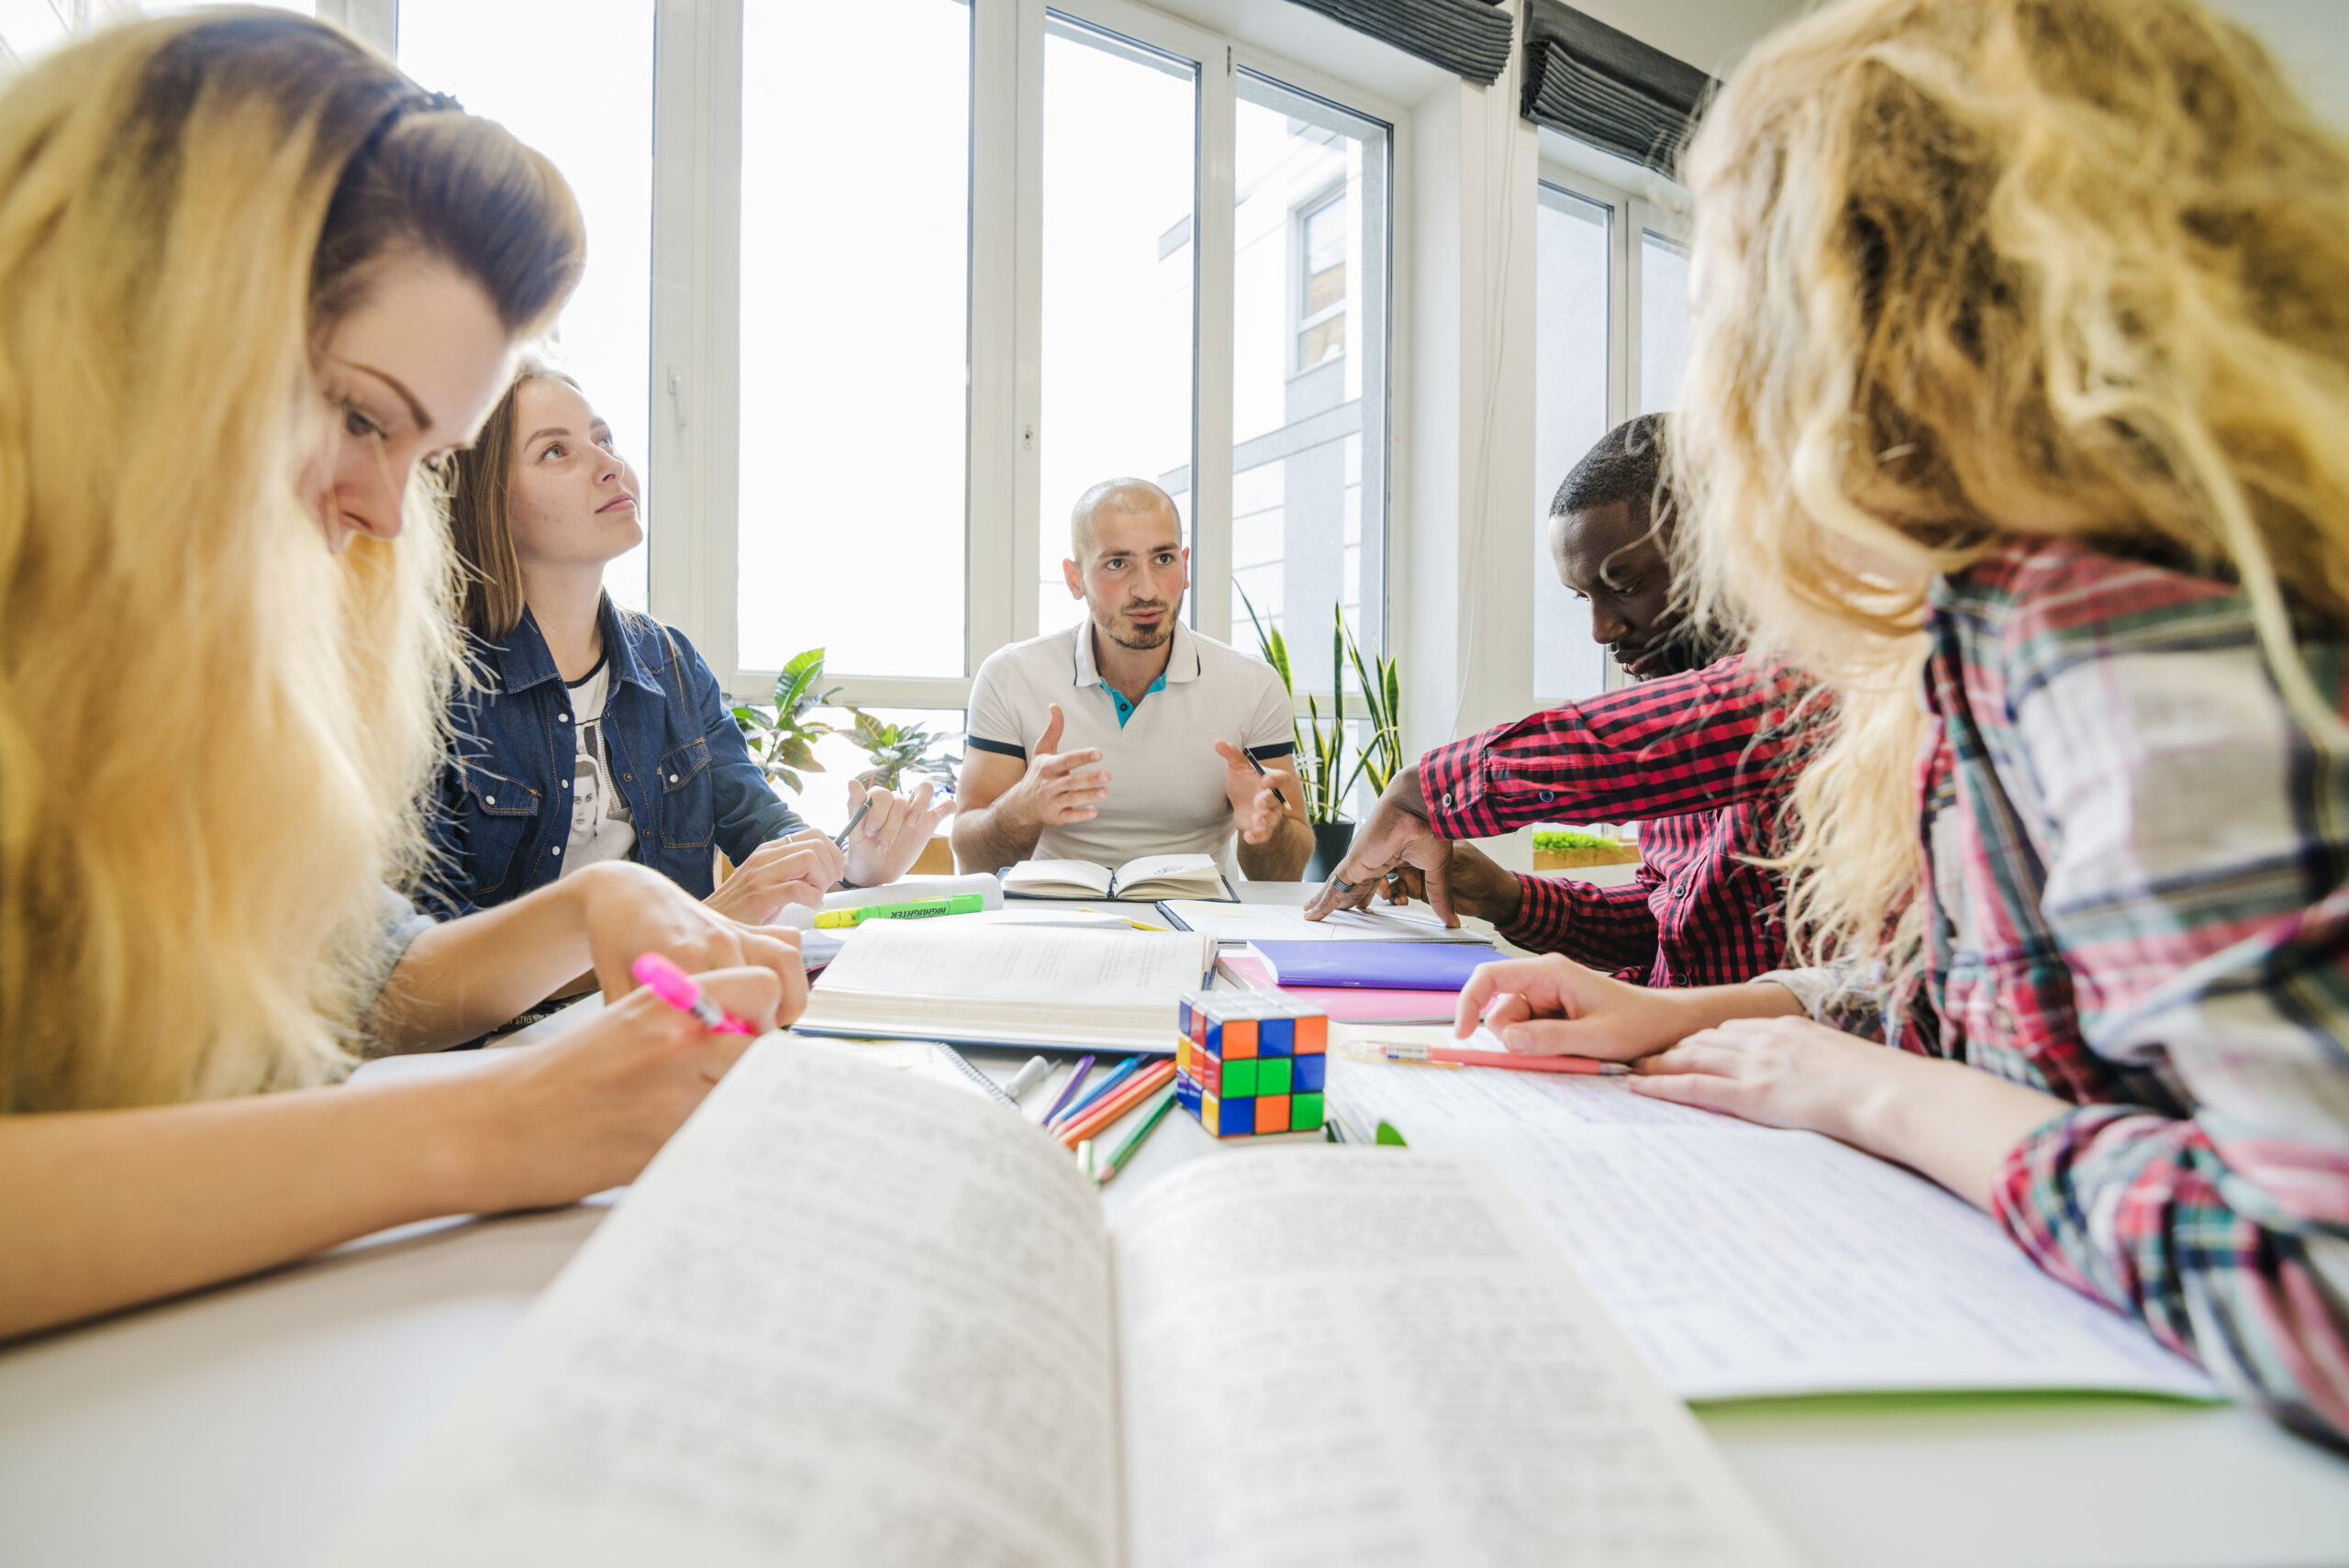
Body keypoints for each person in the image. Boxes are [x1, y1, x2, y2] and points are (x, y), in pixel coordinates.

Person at [1456, 0, 2349, 1443]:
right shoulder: (1986, 616)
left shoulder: (2110, 616)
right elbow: (2003, 1003)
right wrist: (1703, 1015)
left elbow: (2322, 1282)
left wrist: (1872, 1096)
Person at [0, 13, 799, 1340]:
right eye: (361, 413)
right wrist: (483, 1131)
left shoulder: (177, 695)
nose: (380, 511)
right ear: (132, 331)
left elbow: (358, 975)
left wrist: (591, 901)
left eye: (423, 454)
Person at [429, 364, 952, 930]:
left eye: (604, 440)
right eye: (556, 452)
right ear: (489, 500)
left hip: (677, 1004)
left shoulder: (669, 662)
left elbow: (765, 829)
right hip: (538, 1022)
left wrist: (852, 866)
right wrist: (704, 920)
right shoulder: (438, 687)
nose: (611, 465)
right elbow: (434, 971)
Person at [1308, 415, 1812, 988]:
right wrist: (1504, 895)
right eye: (1583, 598)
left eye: (1624, 587)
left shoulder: (1809, 684)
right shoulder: (1672, 699)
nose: (1601, 629)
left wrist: (1422, 790)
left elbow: (1651, 740)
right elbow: (1667, 928)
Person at [952, 479, 1313, 882]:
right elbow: (972, 861)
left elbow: (1286, 873)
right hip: (1053, 919)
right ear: (1075, 580)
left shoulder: (1254, 686)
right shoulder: (1010, 676)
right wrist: (1021, 808)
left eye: (1163, 559)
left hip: (1198, 924)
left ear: (1186, 565)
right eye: (1117, 564)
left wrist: (1267, 830)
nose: (1146, 589)